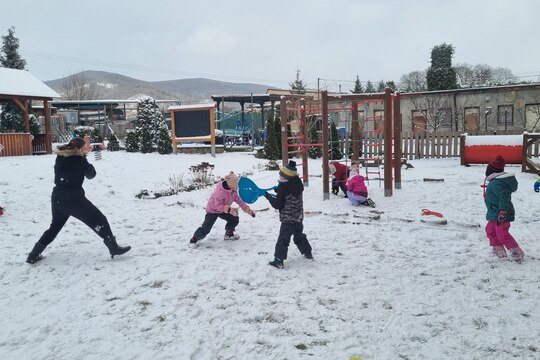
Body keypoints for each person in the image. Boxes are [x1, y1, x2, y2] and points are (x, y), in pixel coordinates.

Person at [26, 137, 131, 264]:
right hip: (74, 199)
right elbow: (91, 175)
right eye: (84, 148)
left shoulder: (60, 157)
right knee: (100, 220)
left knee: (54, 228)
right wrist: (85, 159)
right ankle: (113, 248)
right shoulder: (80, 160)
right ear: (79, 149)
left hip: (58, 197)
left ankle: (33, 255)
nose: (86, 149)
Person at [264, 160, 312, 269]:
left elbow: (278, 204)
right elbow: (288, 194)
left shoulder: (283, 189)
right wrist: (278, 190)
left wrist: (269, 197)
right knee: (299, 236)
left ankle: (278, 260)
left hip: (287, 220)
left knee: (283, 239)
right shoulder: (297, 184)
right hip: (298, 218)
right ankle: (307, 252)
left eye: (281, 176)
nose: (279, 178)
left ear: (286, 178)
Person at [190, 171, 254, 244]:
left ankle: (229, 234)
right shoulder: (220, 192)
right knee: (206, 228)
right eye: (236, 184)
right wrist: (229, 209)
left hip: (224, 210)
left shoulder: (233, 191)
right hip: (212, 210)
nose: (237, 186)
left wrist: (248, 210)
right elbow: (218, 205)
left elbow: (239, 201)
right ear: (231, 184)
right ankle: (194, 239)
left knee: (234, 219)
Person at [483, 155, 524, 261]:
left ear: (491, 170)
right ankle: (498, 248)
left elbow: (504, 198)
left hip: (502, 213)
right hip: (494, 212)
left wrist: (503, 211)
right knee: (490, 230)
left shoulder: (497, 183)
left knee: (502, 234)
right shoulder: (495, 181)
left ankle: (516, 251)